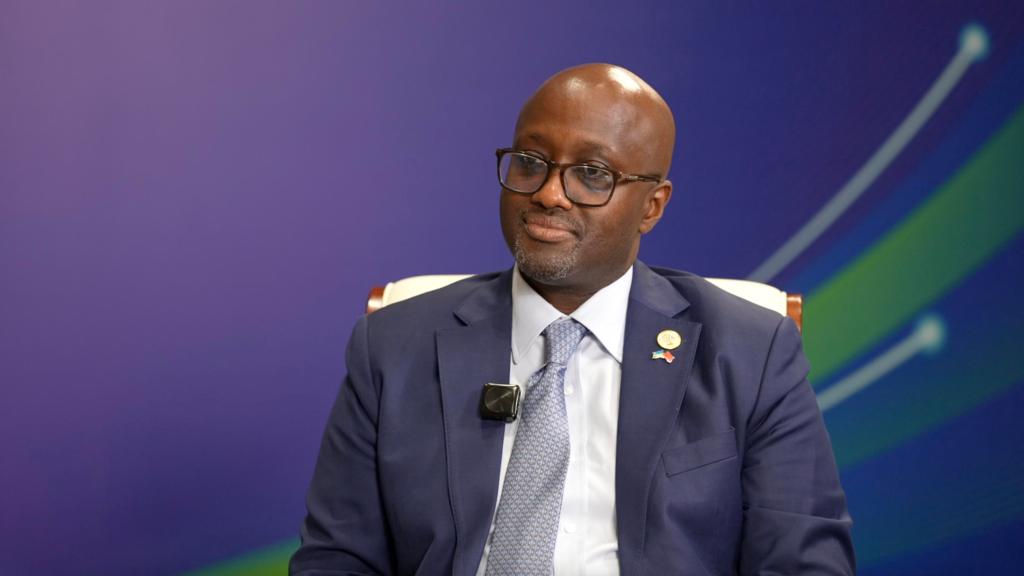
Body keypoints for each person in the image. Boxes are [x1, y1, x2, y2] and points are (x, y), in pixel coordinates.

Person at [290, 63, 855, 576]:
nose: (549, 194)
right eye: (530, 163)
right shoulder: (394, 345)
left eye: (592, 173)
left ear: (652, 206)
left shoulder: (750, 352)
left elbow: (805, 563)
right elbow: (337, 559)